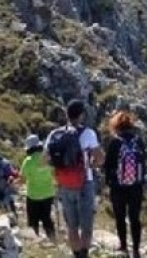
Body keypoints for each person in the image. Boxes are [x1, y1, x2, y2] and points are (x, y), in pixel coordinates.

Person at [45, 99, 101, 258]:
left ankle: (76, 255)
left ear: (67, 114)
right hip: (84, 183)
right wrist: (93, 162)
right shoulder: (88, 133)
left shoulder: (54, 134)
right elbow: (100, 158)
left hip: (64, 184)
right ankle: (84, 254)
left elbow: (45, 160)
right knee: (86, 226)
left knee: (72, 225)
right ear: (82, 115)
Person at [104, 110, 147, 258]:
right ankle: (136, 250)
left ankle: (123, 246)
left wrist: (108, 181)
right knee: (135, 218)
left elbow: (108, 165)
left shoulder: (115, 141)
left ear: (116, 125)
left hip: (118, 187)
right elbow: (144, 162)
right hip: (136, 186)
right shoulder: (138, 140)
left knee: (120, 217)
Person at [19, 134, 57, 240]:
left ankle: (34, 240)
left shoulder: (28, 161)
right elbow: (55, 174)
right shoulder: (48, 158)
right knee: (47, 218)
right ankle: (53, 239)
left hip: (33, 195)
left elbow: (22, 179)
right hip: (48, 194)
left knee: (33, 220)